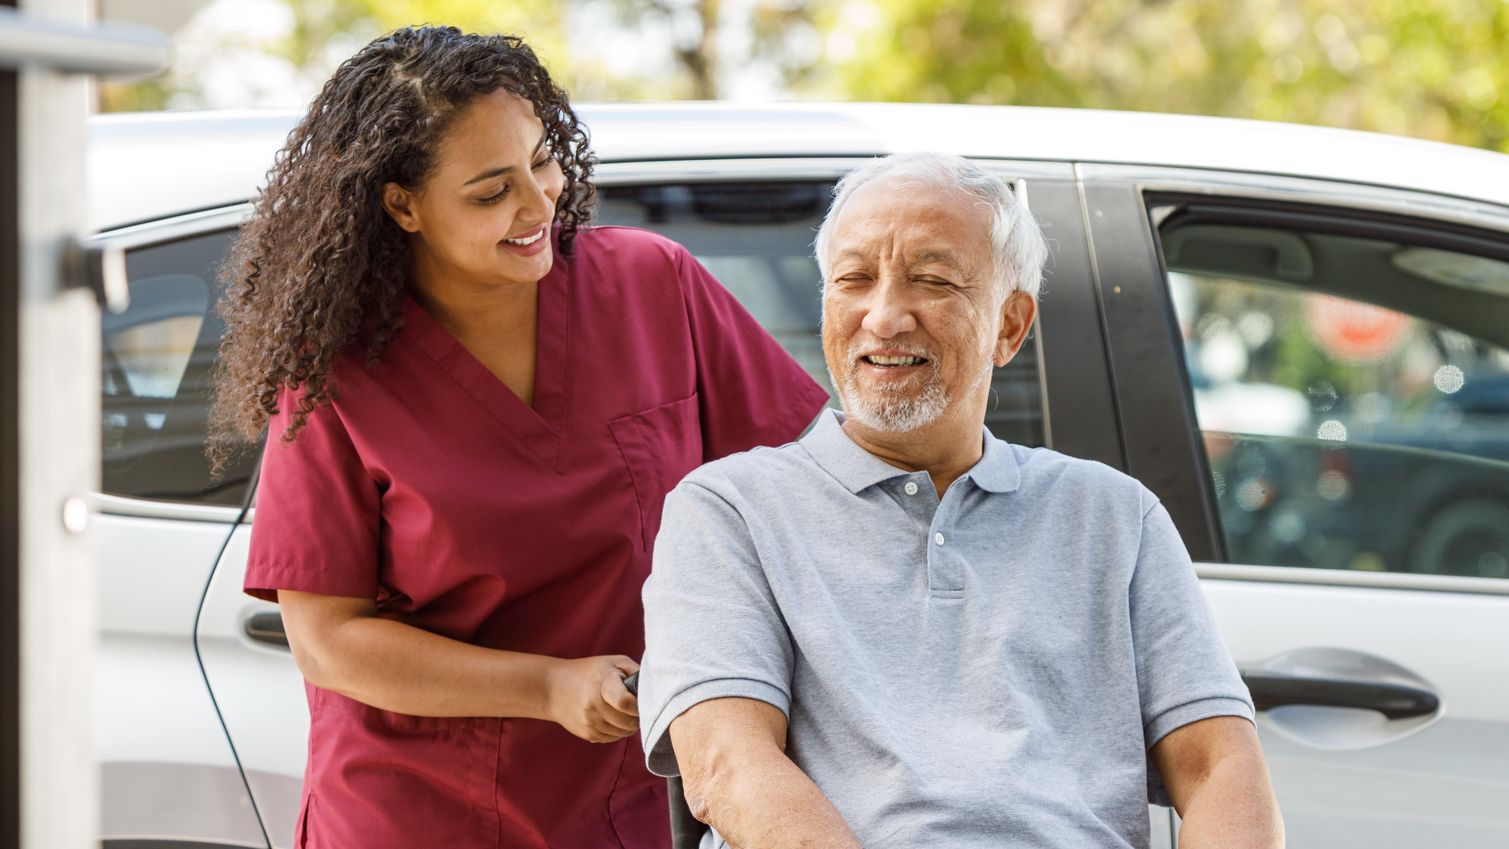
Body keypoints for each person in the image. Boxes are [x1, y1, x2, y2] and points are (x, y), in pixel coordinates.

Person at [208, 26, 829, 849]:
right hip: (420, 812)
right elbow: (327, 641)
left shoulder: (653, 285)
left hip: (637, 800)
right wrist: (546, 686)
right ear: (402, 205)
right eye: (490, 191)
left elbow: (802, 486)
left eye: (542, 160)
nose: (539, 205)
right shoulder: (334, 377)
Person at [639, 153, 1284, 849]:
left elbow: (1220, 765)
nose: (882, 317)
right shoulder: (727, 510)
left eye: (932, 280)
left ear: (1010, 325)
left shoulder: (1113, 515)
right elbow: (728, 768)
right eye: (854, 279)